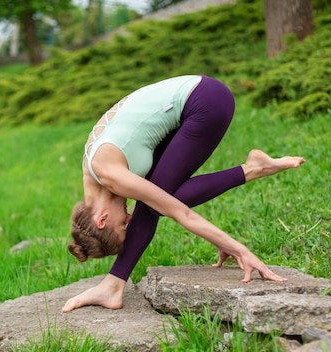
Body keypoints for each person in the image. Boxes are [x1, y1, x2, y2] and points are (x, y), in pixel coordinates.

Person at [63, 74, 305, 313]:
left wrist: (238, 249)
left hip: (206, 101)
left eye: (122, 226)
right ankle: (113, 285)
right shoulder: (96, 174)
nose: (128, 219)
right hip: (192, 102)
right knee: (154, 200)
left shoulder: (109, 173)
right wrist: (217, 239)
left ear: (102, 219)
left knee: (155, 204)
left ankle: (252, 169)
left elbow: (181, 213)